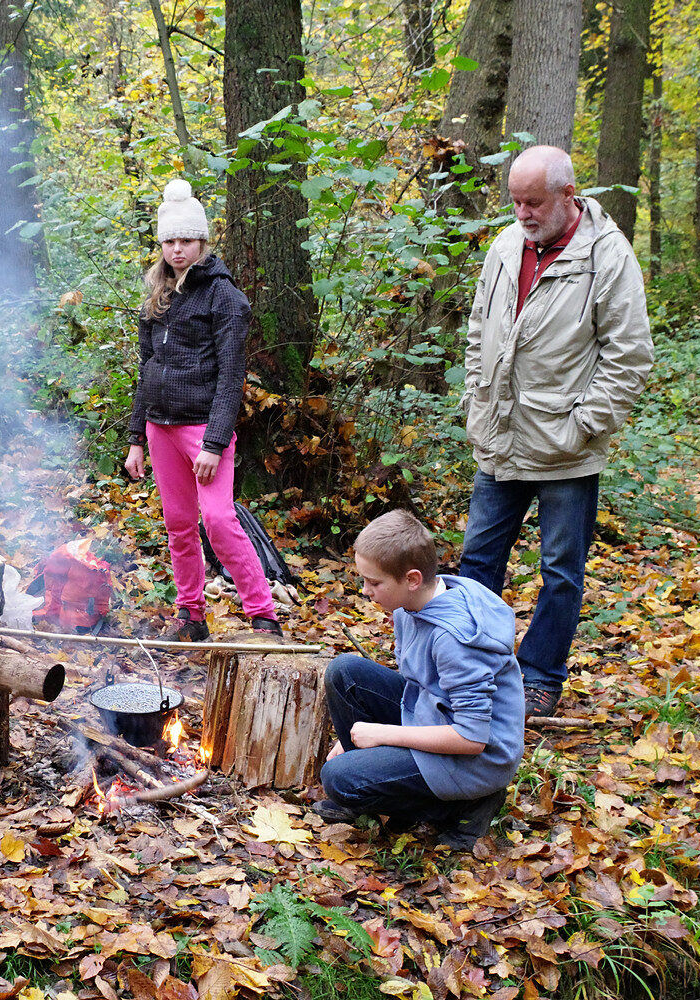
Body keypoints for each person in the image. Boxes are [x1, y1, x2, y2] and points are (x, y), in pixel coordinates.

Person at [459, 145, 654, 719]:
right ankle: (471, 669)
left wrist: (583, 425)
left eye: (534, 202)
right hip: (499, 436)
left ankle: (540, 676)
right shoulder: (504, 245)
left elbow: (630, 356)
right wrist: (476, 395)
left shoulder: (608, 257)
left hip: (567, 449)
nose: (522, 213)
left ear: (568, 195)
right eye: (515, 201)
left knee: (561, 571)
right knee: (477, 561)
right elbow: (479, 330)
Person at [123, 179, 282, 640]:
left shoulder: (225, 297)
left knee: (217, 518)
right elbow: (147, 370)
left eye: (186, 241)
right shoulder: (158, 295)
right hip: (160, 427)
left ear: (203, 242)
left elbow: (232, 377)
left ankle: (262, 614)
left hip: (203, 430)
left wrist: (214, 442)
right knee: (178, 524)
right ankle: (191, 615)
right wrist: (136, 437)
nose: (178, 250)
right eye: (170, 241)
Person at [317, 510, 524, 850]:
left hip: (475, 760)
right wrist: (357, 739)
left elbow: (472, 737)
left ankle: (466, 806)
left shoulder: (455, 641)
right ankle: (378, 776)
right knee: (344, 672)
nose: (366, 591)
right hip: (432, 714)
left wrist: (383, 734)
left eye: (374, 582)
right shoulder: (409, 605)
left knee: (340, 780)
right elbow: (424, 682)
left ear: (412, 579)